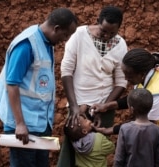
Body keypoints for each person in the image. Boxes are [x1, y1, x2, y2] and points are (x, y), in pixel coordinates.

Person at [0, 8, 77, 167]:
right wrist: (19, 123)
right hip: (24, 126)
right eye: (65, 35)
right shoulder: (26, 45)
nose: (65, 40)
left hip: (39, 124)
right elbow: (12, 84)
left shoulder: (47, 42)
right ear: (56, 29)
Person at [57, 6, 128, 167]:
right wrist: (74, 106)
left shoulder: (121, 45)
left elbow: (121, 82)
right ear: (97, 22)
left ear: (119, 28)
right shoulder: (79, 35)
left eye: (112, 33)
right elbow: (66, 71)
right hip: (78, 107)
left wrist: (104, 106)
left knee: (97, 151)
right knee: (69, 153)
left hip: (104, 108)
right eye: (104, 31)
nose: (107, 36)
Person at [114, 88, 159, 167]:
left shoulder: (125, 129)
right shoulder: (157, 130)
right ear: (150, 107)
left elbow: (119, 159)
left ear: (131, 109)